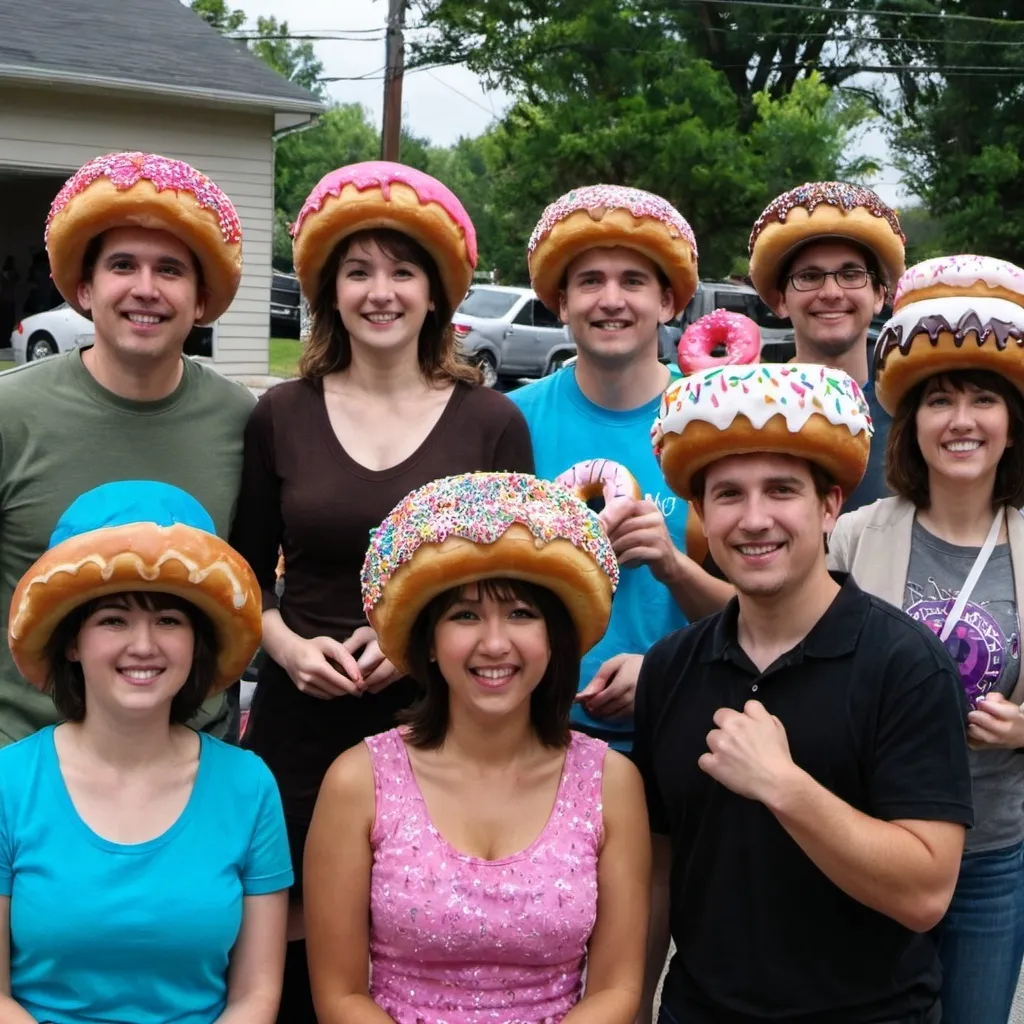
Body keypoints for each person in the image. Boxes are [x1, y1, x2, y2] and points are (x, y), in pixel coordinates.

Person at [229, 160, 535, 1023]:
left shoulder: (490, 422)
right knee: (286, 946)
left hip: (439, 722)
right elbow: (244, 577)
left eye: (402, 270)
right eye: (357, 271)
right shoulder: (280, 414)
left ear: (437, 291)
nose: (380, 291)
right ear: (328, 289)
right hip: (300, 722)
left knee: (419, 942)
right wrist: (285, 647)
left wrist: (409, 643)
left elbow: (515, 590)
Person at [635, 362, 973, 1023]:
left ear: (829, 505)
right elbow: (657, 871)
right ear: (701, 515)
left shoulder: (908, 667)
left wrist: (784, 786)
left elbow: (926, 892)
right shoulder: (670, 668)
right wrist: (635, 1005)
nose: (755, 519)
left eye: (782, 490)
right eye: (728, 495)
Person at [304, 471, 650, 1024]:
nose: (494, 643)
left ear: (553, 638)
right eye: (465, 615)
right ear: (431, 643)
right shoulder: (358, 781)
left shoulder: (612, 782)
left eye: (521, 613)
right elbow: (341, 996)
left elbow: (616, 991)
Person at [0, 480, 292, 1024]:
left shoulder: (249, 786)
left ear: (196, 641)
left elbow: (255, 996)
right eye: (113, 619)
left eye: (168, 620)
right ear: (71, 641)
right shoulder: (7, 784)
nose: (143, 645)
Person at [0, 152, 255, 747]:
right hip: (27, 763)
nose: (145, 289)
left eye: (170, 269)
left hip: (193, 762)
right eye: (122, 265)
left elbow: (244, 590)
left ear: (201, 299)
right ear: (84, 288)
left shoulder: (241, 421)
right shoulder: (11, 414)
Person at [829, 254, 1024, 1024]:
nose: (963, 420)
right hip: (869, 845)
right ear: (912, 424)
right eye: (940, 399)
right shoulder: (849, 538)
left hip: (992, 855)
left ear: (1012, 426)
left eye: (984, 398)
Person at [510, 184, 732, 752]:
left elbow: (762, 610)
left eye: (633, 281)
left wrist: (672, 571)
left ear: (669, 301)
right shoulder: (509, 422)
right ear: (561, 303)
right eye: (590, 281)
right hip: (533, 734)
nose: (612, 300)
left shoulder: (715, 420)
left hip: (682, 731)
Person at [748, 181, 907, 511]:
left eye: (851, 275)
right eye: (809, 276)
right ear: (779, 299)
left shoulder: (913, 413)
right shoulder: (746, 411)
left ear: (879, 295)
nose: (832, 292)